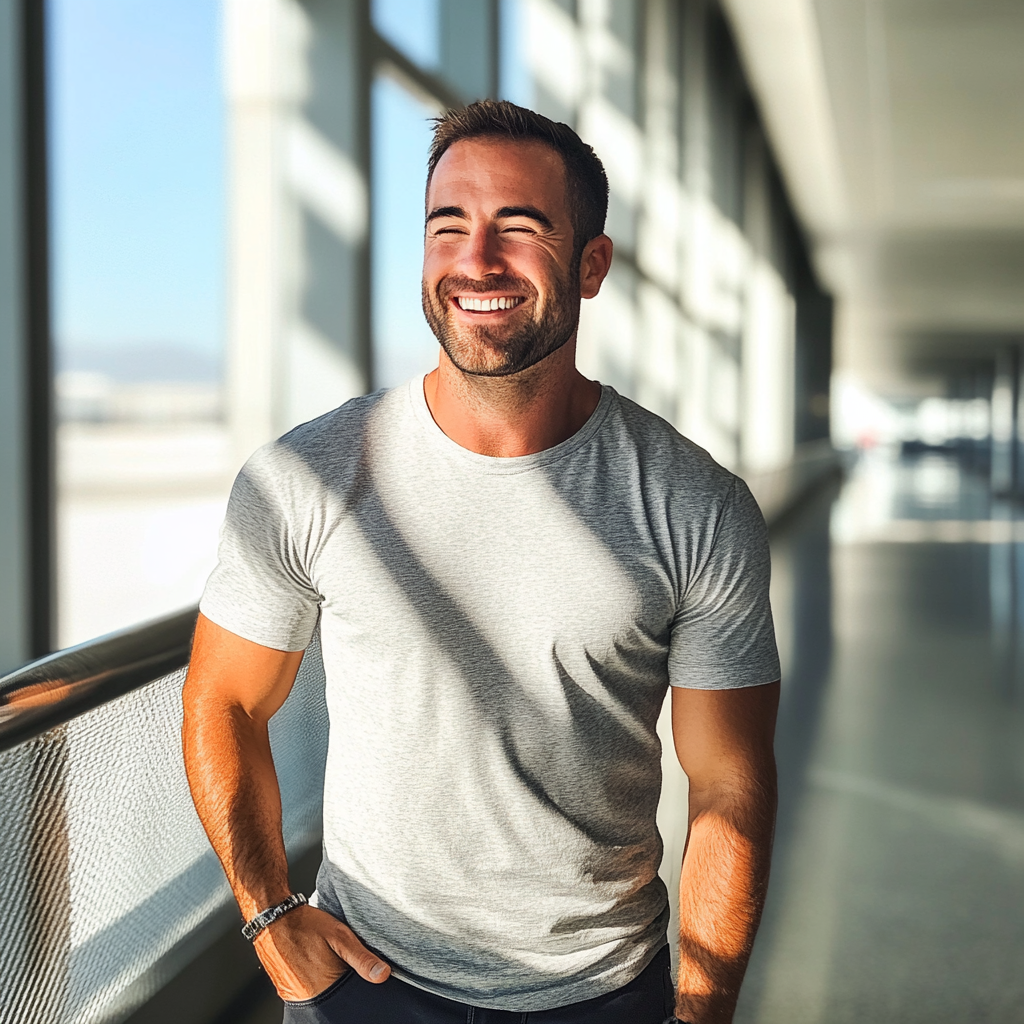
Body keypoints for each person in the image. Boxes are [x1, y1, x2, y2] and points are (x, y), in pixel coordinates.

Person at [182, 100, 780, 1024]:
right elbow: (224, 699)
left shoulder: (695, 505)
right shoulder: (306, 478)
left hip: (602, 994)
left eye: (519, 227)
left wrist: (700, 1015)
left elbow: (731, 783)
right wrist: (270, 920)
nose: (476, 260)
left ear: (591, 265)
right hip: (361, 986)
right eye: (447, 225)